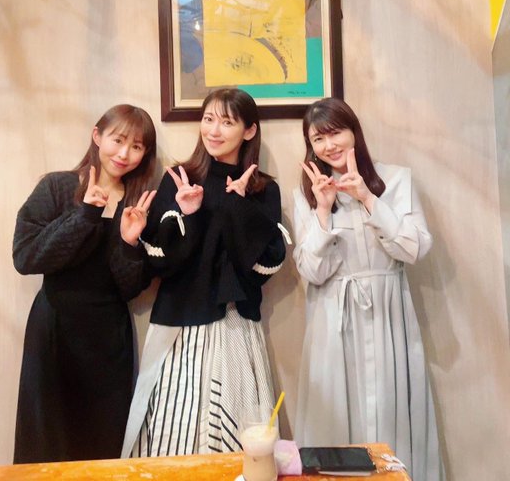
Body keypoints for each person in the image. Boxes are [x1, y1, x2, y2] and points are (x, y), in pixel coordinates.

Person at [119, 88, 288, 458]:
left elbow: (263, 268)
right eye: (209, 119)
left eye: (227, 122)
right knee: (172, 436)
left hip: (235, 325)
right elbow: (160, 263)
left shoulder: (262, 189)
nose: (214, 130)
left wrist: (239, 207)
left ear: (248, 130)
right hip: (180, 323)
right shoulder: (180, 178)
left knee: (239, 441)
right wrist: (189, 215)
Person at [293, 98, 444, 481]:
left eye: (335, 133)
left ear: (353, 132)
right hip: (332, 318)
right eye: (318, 139)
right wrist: (323, 211)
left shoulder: (396, 179)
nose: (329, 145)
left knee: (389, 414)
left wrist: (367, 198)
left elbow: (414, 248)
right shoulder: (307, 193)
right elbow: (312, 271)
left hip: (387, 314)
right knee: (334, 419)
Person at [13, 104, 157, 463]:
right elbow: (26, 257)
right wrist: (86, 214)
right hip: (54, 329)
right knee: (47, 440)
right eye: (117, 140)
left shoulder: (138, 205)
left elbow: (130, 289)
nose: (124, 154)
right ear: (97, 136)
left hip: (109, 338)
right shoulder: (57, 187)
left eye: (136, 146)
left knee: (104, 441)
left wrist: (129, 243)